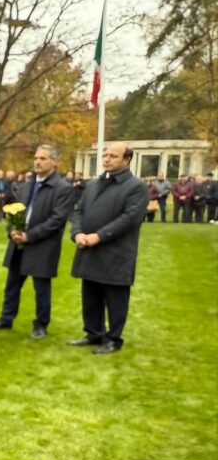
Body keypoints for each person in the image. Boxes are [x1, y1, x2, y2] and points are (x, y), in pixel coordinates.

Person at [0, 144, 74, 339]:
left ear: (54, 162)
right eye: (36, 158)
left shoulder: (63, 188)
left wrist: (30, 235)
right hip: (18, 243)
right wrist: (12, 230)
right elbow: (15, 209)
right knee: (12, 285)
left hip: (42, 245)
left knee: (41, 288)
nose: (38, 162)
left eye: (43, 158)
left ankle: (41, 324)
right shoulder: (26, 185)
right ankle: (6, 318)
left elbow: (57, 220)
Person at [68, 142, 149, 354]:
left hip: (116, 253)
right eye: (105, 155)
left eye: (113, 156)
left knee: (115, 297)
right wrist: (77, 233)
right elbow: (78, 211)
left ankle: (113, 339)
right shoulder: (93, 184)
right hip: (88, 248)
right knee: (91, 294)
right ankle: (94, 333)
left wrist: (99, 236)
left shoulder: (136, 187)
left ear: (127, 160)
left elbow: (130, 218)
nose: (106, 159)